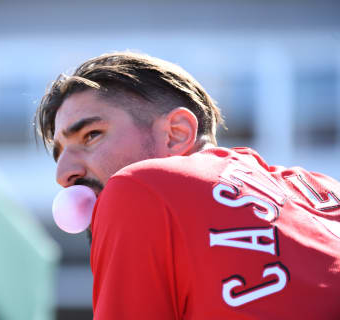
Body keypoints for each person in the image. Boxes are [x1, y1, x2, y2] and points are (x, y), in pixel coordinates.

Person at [34, 52, 340, 319]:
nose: (64, 174)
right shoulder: (323, 189)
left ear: (177, 134)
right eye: (59, 154)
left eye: (91, 135)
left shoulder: (136, 188)